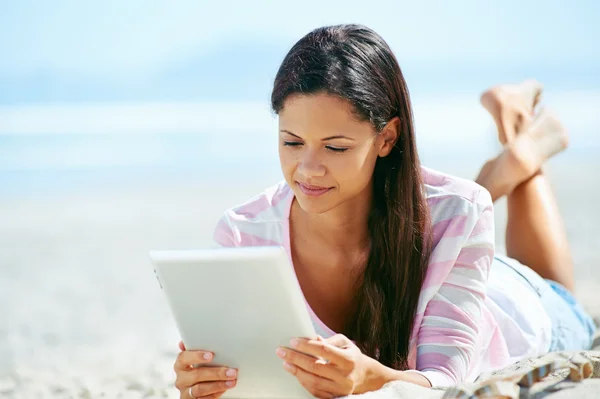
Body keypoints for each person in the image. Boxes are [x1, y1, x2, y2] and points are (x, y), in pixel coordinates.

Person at [173, 24, 596, 399]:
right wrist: (205, 382)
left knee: (562, 294)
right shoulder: (243, 234)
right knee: (456, 208)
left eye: (335, 147)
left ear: (387, 137)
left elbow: (449, 382)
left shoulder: (459, 214)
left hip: (518, 307)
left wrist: (371, 380)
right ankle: (507, 166)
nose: (307, 169)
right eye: (291, 141)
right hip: (451, 254)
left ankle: (522, 155)